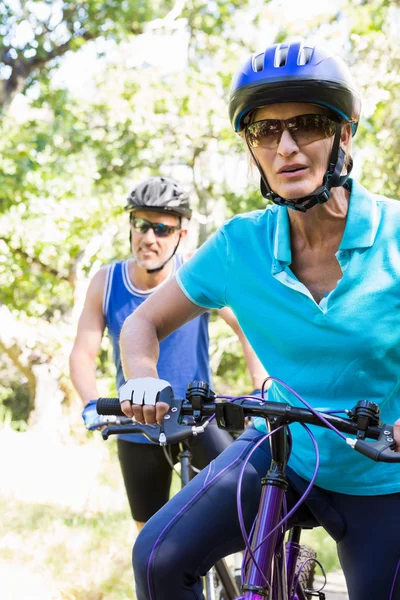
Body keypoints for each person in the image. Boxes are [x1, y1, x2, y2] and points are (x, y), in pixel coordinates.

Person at [118, 41, 400, 600]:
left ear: (345, 135)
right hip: (283, 451)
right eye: (265, 132)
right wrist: (141, 376)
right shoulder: (239, 246)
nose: (287, 147)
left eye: (309, 125)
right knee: (156, 557)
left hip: (382, 475)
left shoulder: (394, 235)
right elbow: (141, 325)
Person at [69, 175, 267, 531]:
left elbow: (246, 328)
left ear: (181, 235)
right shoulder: (106, 281)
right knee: (150, 538)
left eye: (162, 228)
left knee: (244, 504)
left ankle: (243, 574)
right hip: (137, 424)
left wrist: (258, 387)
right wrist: (90, 403)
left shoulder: (193, 273)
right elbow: (82, 353)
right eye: (142, 225)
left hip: (197, 418)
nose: (149, 238)